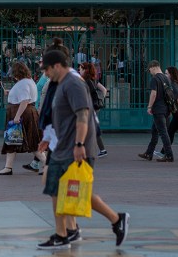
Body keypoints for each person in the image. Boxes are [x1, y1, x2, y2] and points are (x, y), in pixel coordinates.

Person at [36, 39, 127, 250]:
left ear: (57, 65)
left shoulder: (73, 83)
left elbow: (83, 115)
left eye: (47, 69)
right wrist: (49, 137)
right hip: (62, 145)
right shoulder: (60, 83)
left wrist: (79, 144)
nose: (45, 74)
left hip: (74, 147)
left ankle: (113, 220)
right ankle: (65, 232)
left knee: (71, 190)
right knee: (57, 189)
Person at [0, 62, 42, 175]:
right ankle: (8, 167)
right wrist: (10, 92)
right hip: (27, 112)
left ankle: (48, 165)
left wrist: (17, 116)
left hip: (21, 113)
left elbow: (25, 100)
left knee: (26, 141)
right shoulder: (28, 81)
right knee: (15, 140)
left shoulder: (22, 84)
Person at [138, 61, 176, 162]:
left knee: (163, 132)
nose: (150, 72)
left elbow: (153, 94)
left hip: (158, 109)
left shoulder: (155, 79)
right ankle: (148, 153)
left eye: (150, 69)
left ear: (154, 67)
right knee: (155, 131)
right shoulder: (166, 78)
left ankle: (169, 155)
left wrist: (149, 106)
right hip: (167, 109)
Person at [82, 63, 109, 158]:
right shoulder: (94, 80)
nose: (79, 70)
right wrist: (100, 99)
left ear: (85, 70)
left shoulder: (86, 81)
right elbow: (104, 90)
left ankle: (99, 150)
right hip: (95, 107)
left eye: (81, 68)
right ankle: (102, 149)